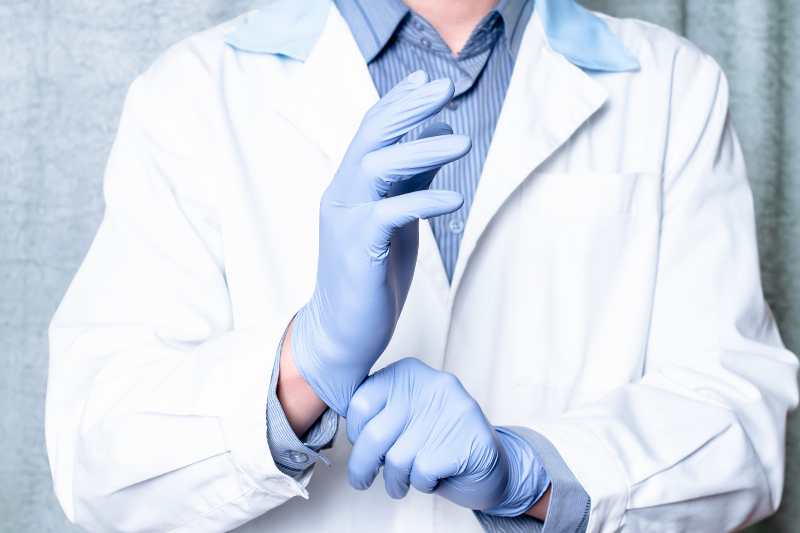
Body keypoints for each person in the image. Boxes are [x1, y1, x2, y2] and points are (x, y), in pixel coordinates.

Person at [45, 0, 800, 531]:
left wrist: (527, 476)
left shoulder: (671, 88)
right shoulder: (191, 94)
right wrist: (304, 363)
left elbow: (740, 420)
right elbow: (97, 459)